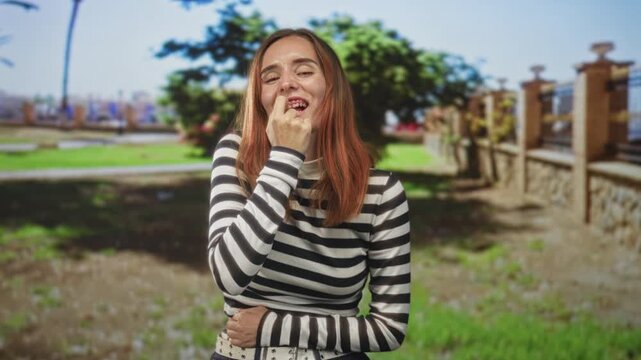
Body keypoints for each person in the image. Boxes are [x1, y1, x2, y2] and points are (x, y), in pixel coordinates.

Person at [208, 28, 410, 360]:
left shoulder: (381, 193)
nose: (287, 82)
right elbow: (228, 276)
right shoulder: (236, 157)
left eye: (303, 71)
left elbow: (389, 328)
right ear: (261, 98)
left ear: (333, 90)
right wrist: (285, 157)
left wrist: (272, 327)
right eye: (270, 78)